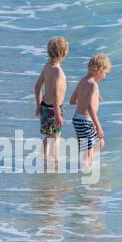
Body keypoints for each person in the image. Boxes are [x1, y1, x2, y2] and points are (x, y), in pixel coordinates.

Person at [69, 53, 112, 168]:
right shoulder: (93, 86)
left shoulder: (83, 81)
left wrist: (87, 99)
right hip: (85, 122)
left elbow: (72, 100)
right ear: (99, 70)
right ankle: (84, 173)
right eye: (105, 73)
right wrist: (98, 126)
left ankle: (87, 164)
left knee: (100, 142)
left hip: (78, 119)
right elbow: (90, 107)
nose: (104, 76)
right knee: (87, 152)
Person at [34, 37, 69, 165]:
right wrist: (58, 115)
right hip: (53, 109)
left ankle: (43, 158)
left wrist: (38, 105)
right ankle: (55, 162)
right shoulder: (58, 72)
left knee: (48, 136)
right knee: (56, 137)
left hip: (44, 107)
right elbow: (56, 94)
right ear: (63, 54)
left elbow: (37, 87)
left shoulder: (47, 66)